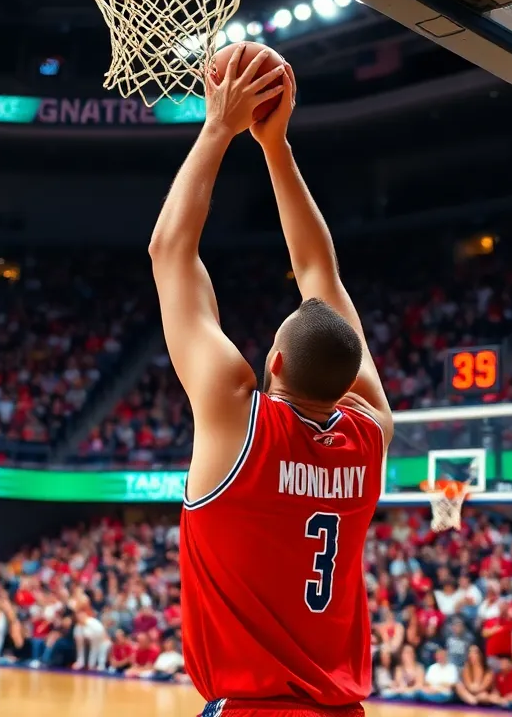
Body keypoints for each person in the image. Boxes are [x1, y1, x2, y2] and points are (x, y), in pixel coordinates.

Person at [152, 50, 392, 717]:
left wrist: (222, 129)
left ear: (275, 365)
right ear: (351, 384)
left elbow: (170, 253)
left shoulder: (238, 415)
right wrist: (275, 148)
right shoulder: (370, 428)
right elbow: (323, 275)